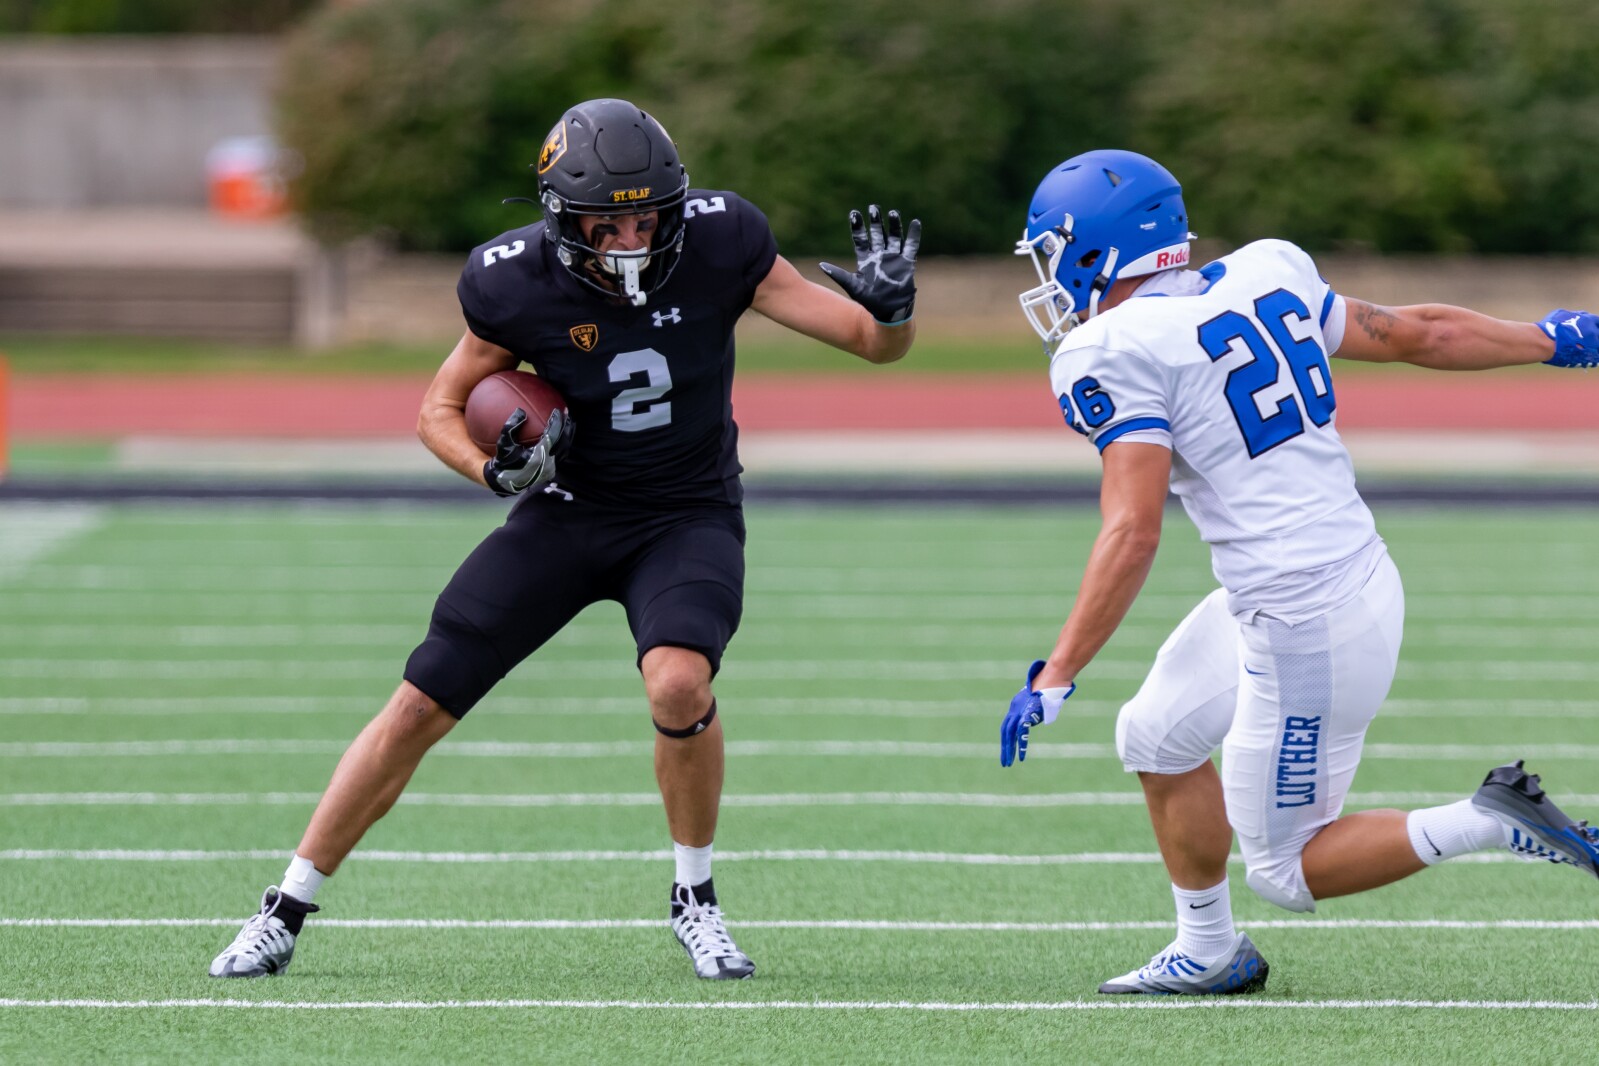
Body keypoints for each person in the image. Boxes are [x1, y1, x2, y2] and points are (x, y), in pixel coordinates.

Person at [209, 98, 920, 981]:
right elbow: (436, 410)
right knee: (422, 697)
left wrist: (891, 314)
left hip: (686, 512)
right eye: (607, 221)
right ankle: (283, 907)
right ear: (561, 218)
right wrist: (491, 473)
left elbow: (867, 342)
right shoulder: (512, 281)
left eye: (645, 215)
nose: (630, 236)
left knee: (677, 678)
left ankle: (694, 899)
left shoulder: (722, 240)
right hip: (569, 511)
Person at [999, 149, 1599, 996]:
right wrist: (1549, 340)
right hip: (1315, 581)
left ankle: (1488, 822)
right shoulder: (1264, 271)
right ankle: (1206, 950)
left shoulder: (1110, 348)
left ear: (1093, 247)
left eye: (1052, 251)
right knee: (1153, 737)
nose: (1049, 275)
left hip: (1304, 616)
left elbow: (1131, 531)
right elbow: (1416, 333)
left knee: (1284, 869)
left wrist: (1057, 672)